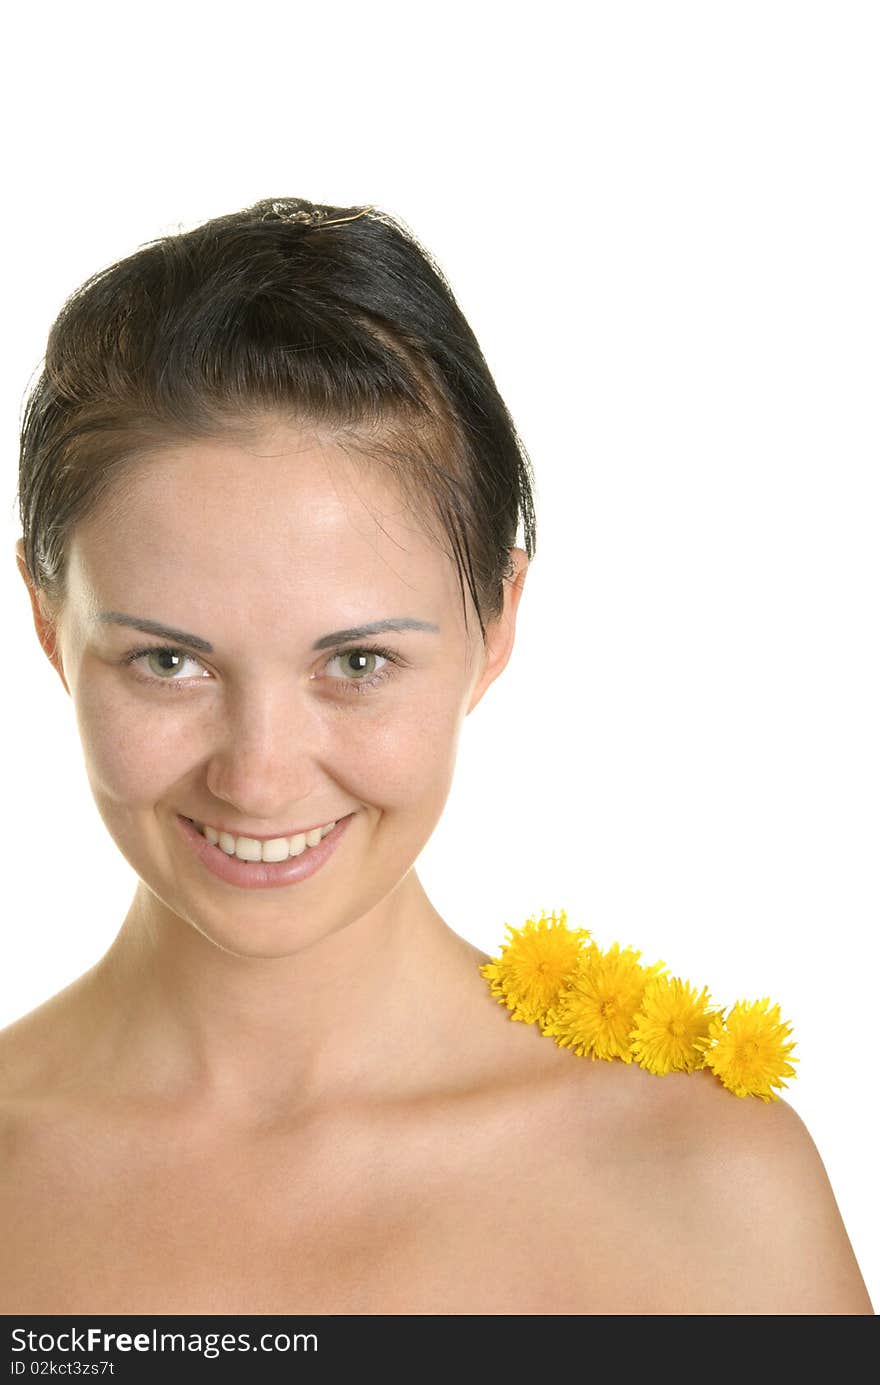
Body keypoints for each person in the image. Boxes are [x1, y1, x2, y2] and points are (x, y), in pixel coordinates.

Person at [1, 198, 872, 1316]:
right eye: (170, 662)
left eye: (357, 663)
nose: (258, 776)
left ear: (495, 620)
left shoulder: (704, 1177)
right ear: (46, 622)